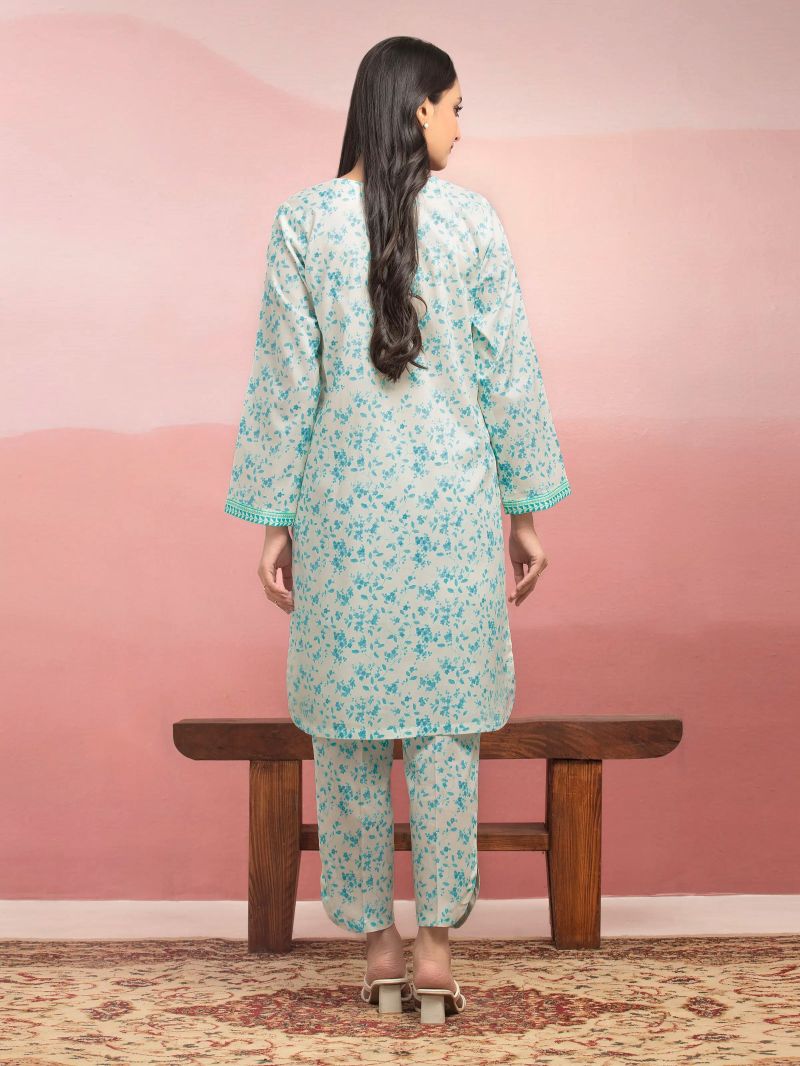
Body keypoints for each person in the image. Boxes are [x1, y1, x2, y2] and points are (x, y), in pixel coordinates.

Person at [223, 36, 571, 1024]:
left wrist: (274, 522)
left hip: (342, 514)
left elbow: (286, 384)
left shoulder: (302, 222)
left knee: (348, 733)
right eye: (455, 107)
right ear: (418, 109)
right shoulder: (471, 222)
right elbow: (508, 375)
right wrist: (523, 513)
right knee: (444, 733)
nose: (461, 126)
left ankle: (376, 948)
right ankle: (435, 956)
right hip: (451, 513)